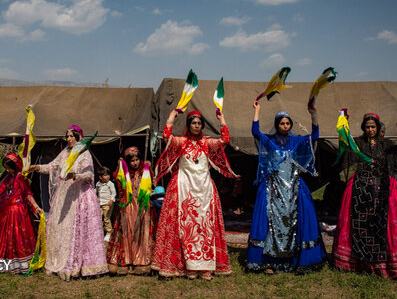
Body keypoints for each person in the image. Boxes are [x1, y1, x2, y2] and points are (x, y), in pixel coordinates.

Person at [332, 113, 397, 278]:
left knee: (383, 224)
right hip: (361, 189)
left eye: (373, 126)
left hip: (383, 188)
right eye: (367, 127)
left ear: (378, 127)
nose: (370, 129)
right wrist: (344, 123)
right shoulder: (359, 143)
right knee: (360, 223)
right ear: (363, 128)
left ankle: (385, 264)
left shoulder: (386, 144)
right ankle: (359, 263)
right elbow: (347, 143)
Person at [151, 109, 238, 280]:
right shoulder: (181, 141)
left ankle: (205, 268)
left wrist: (221, 119)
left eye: (199, 123)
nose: (196, 126)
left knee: (205, 228)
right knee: (185, 228)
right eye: (193, 123)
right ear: (188, 125)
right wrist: (171, 115)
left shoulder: (207, 143)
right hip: (184, 188)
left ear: (202, 126)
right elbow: (167, 137)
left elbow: (225, 140)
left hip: (205, 191)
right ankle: (187, 267)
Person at [246, 99, 326, 273]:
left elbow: (315, 136)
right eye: (282, 123)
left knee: (296, 222)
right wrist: (257, 111)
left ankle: (294, 259)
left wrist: (314, 115)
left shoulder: (297, 141)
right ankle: (268, 261)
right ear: (277, 125)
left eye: (287, 123)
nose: (285, 126)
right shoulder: (269, 141)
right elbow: (255, 131)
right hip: (272, 189)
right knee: (269, 223)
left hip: (294, 188)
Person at [29, 125, 108, 281]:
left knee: (76, 230)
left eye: (71, 136)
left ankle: (77, 264)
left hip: (79, 196)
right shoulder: (65, 152)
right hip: (64, 196)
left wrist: (74, 175)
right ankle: (60, 260)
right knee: (61, 229)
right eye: (67, 136)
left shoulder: (84, 153)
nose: (69, 139)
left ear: (79, 137)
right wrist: (37, 167)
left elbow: (89, 174)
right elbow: (53, 167)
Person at [0, 152, 42, 274]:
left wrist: (36, 206)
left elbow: (27, 194)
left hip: (19, 212)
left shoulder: (20, 177)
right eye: (6, 168)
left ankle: (21, 263)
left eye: (9, 168)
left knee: (19, 237)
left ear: (15, 166)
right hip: (9, 211)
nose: (7, 170)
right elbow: (0, 190)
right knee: (5, 236)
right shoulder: (9, 177)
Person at [106, 147, 156, 275]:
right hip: (128, 206)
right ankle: (126, 260)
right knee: (127, 232)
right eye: (132, 160)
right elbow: (118, 180)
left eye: (137, 159)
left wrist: (148, 166)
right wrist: (119, 166)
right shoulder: (125, 173)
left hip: (142, 206)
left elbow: (152, 182)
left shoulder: (145, 171)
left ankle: (142, 261)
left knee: (141, 233)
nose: (135, 163)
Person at [95, 167, 116, 242]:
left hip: (108, 204)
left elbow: (113, 193)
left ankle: (109, 232)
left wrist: (111, 200)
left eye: (108, 175)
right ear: (100, 177)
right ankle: (99, 231)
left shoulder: (110, 184)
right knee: (98, 217)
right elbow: (96, 191)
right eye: (105, 175)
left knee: (106, 218)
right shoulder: (98, 184)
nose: (108, 177)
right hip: (100, 203)